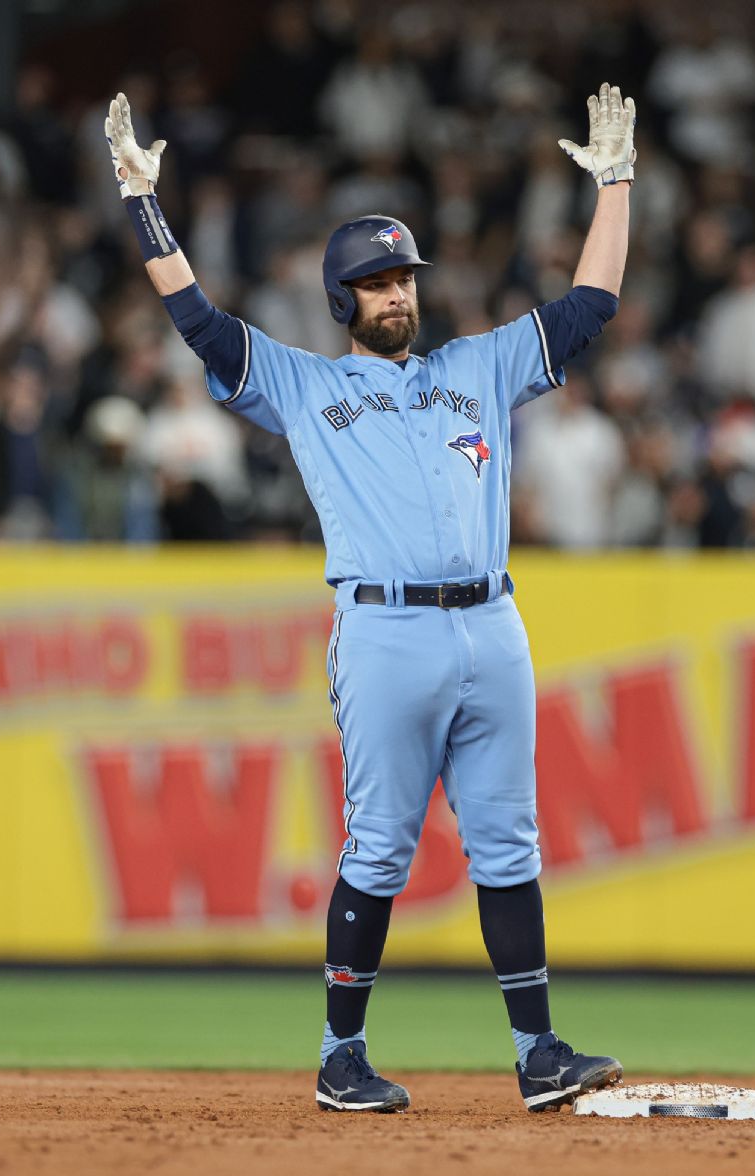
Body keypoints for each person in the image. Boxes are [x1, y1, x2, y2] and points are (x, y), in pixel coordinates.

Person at [105, 82, 636, 1114]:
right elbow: (201, 328)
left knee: (508, 840)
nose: (398, 293)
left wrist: (613, 184)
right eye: (377, 281)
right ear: (341, 299)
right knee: (382, 842)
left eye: (403, 277)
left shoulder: (479, 365)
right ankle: (339, 1054)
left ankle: (537, 1051)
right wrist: (141, 206)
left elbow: (590, 308)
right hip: (383, 626)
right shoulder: (305, 385)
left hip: (493, 621)